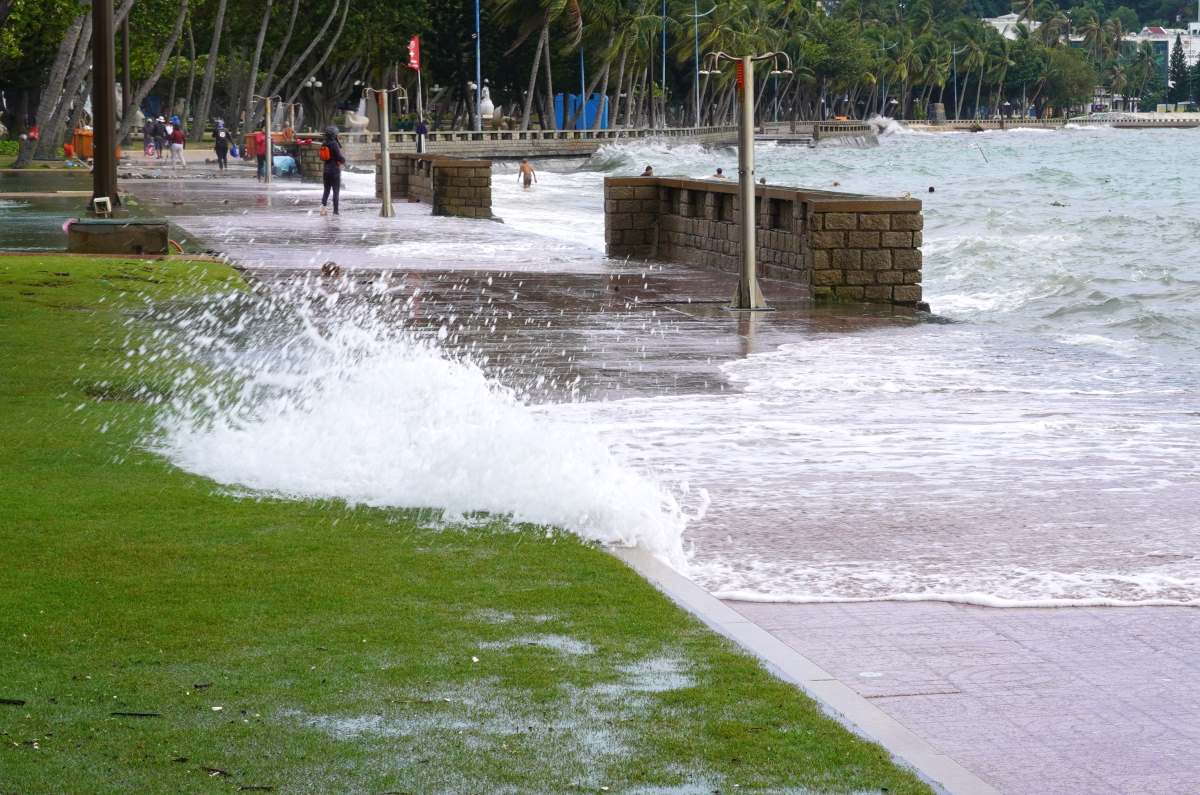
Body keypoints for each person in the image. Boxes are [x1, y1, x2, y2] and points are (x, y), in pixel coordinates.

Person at [319, 125, 346, 215]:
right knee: (336, 191)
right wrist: (343, 160)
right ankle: (335, 211)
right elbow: (339, 157)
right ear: (334, 135)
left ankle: (323, 209)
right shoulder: (334, 144)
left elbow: (322, 157)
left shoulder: (324, 143)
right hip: (334, 171)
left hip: (326, 170)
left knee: (326, 190)